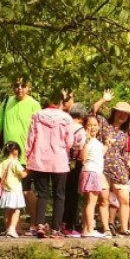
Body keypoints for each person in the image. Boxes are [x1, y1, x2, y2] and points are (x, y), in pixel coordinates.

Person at [0, 77, 41, 228]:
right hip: (8, 157)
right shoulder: (6, 102)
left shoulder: (34, 104)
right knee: (9, 190)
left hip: (26, 156)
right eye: (16, 85)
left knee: (26, 191)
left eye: (23, 85)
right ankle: (13, 227)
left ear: (28, 87)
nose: (19, 88)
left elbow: (39, 131)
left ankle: (35, 223)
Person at [26, 98, 74, 238]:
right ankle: (55, 229)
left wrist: (27, 156)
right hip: (59, 160)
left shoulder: (36, 116)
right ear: (60, 103)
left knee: (42, 194)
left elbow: (30, 138)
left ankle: (40, 225)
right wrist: (64, 150)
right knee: (59, 195)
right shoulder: (66, 118)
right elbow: (69, 141)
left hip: (40, 159)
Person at [94, 97, 130, 237]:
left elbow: (125, 153)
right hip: (103, 166)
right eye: (120, 112)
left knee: (124, 199)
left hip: (119, 168)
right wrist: (103, 100)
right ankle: (106, 228)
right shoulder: (104, 124)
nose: (122, 116)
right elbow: (92, 113)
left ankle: (124, 228)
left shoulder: (125, 134)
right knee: (104, 200)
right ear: (114, 113)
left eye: (125, 114)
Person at [79, 115, 111, 238]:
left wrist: (107, 145)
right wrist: (86, 142)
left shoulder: (96, 141)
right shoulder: (86, 140)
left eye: (95, 125)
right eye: (90, 125)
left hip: (96, 172)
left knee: (90, 202)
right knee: (91, 202)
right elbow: (83, 157)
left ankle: (86, 229)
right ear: (85, 127)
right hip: (91, 172)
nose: (93, 127)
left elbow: (99, 154)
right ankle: (89, 229)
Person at [61, 104, 87, 236]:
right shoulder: (81, 130)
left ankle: (60, 223)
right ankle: (69, 225)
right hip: (75, 164)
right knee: (73, 195)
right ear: (82, 116)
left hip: (61, 163)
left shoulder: (65, 126)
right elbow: (82, 149)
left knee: (62, 194)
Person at [0, 141, 27, 237]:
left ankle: (7, 228)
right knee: (16, 210)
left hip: (6, 190)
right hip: (15, 190)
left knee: (7, 211)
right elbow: (22, 175)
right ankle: (12, 229)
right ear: (15, 151)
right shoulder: (15, 163)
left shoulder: (3, 163)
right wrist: (28, 170)